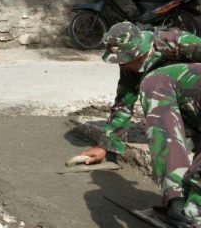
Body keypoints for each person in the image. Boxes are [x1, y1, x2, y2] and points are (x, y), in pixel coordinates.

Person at [77, 22, 201, 227]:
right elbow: (124, 101)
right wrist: (106, 146)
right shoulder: (130, 66)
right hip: (182, 107)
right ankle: (183, 201)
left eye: (126, 60)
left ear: (141, 51)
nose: (122, 65)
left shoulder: (179, 42)